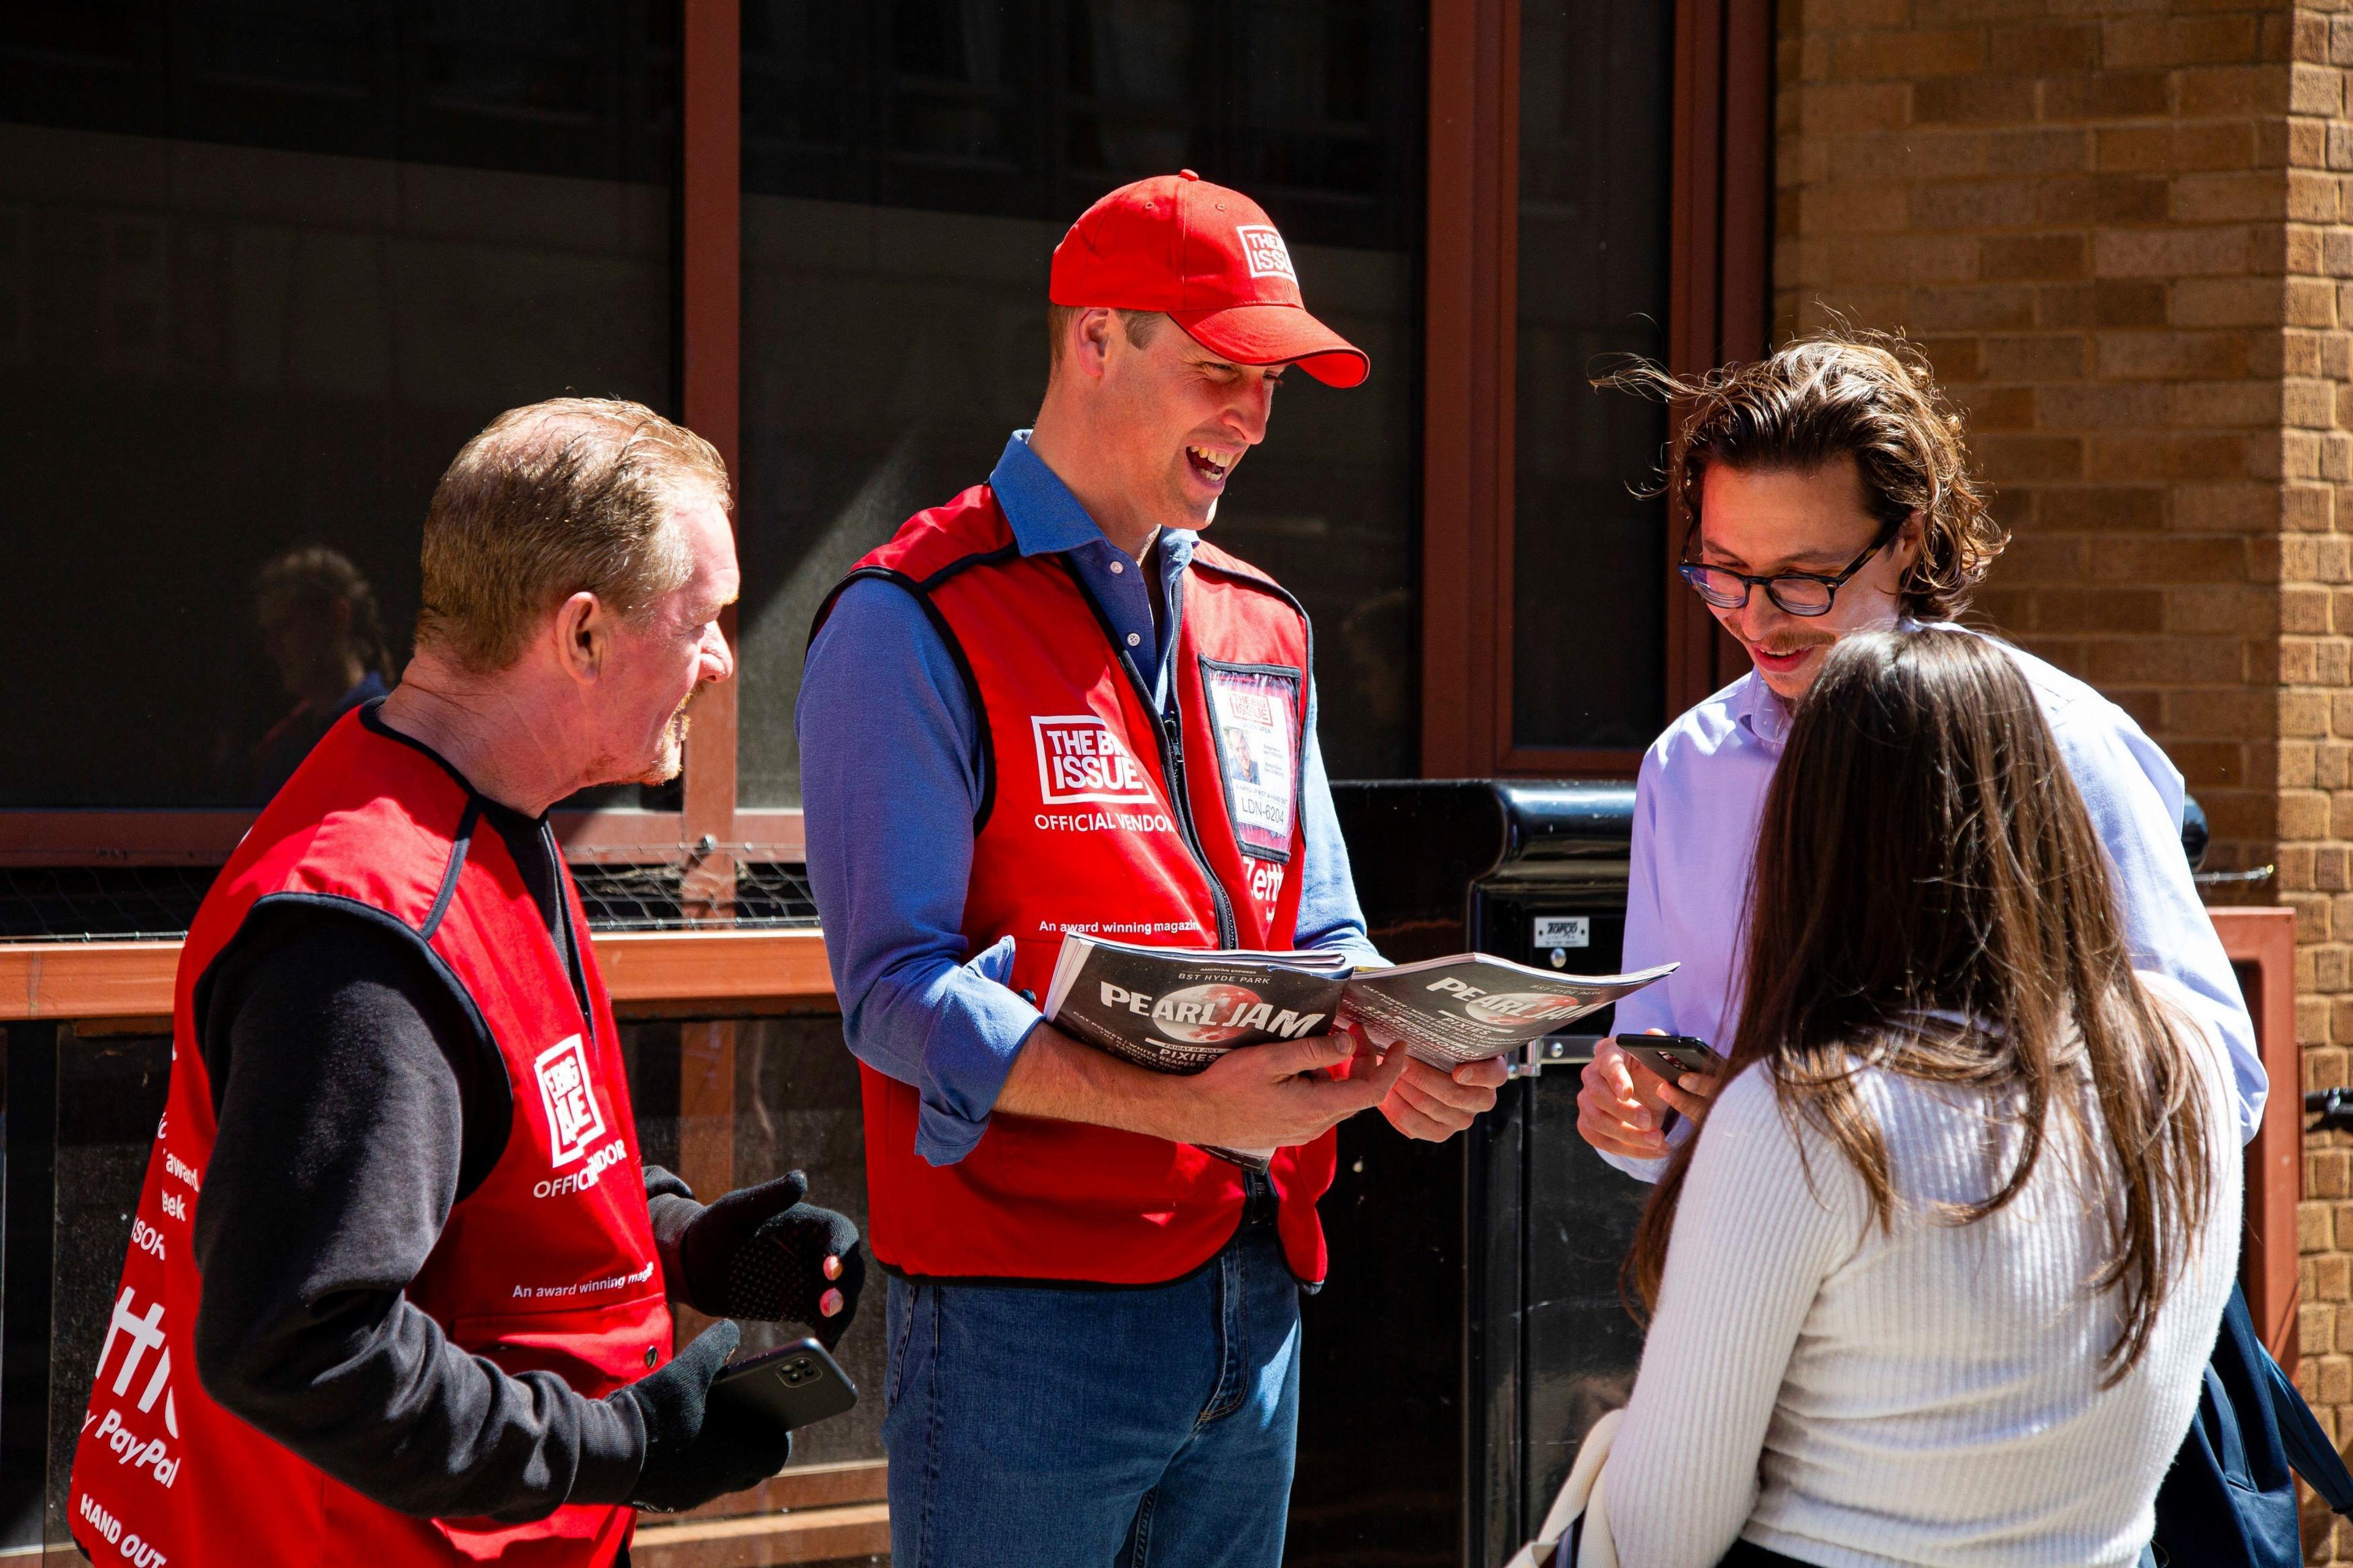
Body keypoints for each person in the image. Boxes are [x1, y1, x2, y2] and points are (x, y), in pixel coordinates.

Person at [798, 172, 1508, 1567]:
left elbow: (1326, 928)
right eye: (1219, 369)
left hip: (1259, 1299)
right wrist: (1174, 1101)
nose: (1249, 415)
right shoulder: (909, 617)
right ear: (1092, 340)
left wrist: (1402, 1046)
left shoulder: (1263, 620)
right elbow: (890, 995)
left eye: (1271, 382)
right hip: (1026, 1326)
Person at [70, 398, 865, 1568]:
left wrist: (685, 1243)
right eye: (702, 620)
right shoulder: (371, 937)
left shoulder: (477, 811)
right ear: (583, 633)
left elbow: (503, 1155)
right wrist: (624, 1442)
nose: (721, 663)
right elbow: (300, 1343)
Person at [1601, 629, 2240, 1567]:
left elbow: (1661, 1533)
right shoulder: (2189, 1063)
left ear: (1812, 840)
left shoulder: (1802, 1115)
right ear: (2047, 808)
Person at [1574, 328, 2263, 1172]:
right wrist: (1635, 1117)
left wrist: (1822, 1121)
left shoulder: (2056, 737)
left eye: (1804, 577)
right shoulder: (1688, 765)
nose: (1755, 618)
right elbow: (1658, 1064)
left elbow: (2218, 1088)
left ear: (1908, 537)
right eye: (1722, 572)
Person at [237, 545, 397, 799]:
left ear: (337, 617)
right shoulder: (286, 746)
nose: (271, 648)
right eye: (268, 633)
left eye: (285, 627)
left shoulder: (387, 736)